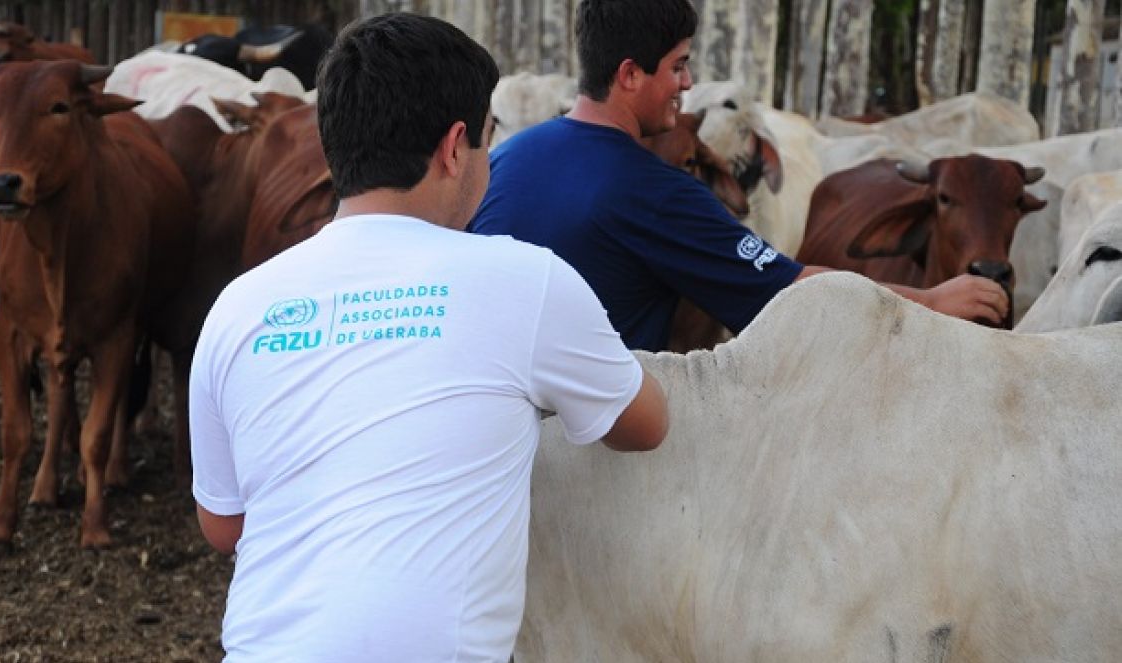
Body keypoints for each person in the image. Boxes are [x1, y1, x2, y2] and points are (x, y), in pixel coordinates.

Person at [188, 13, 668, 663]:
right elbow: (646, 424)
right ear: (454, 147)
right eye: (488, 141)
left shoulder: (238, 307)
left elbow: (223, 525)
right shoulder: (526, 280)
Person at [470, 0, 1010, 352]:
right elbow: (792, 291)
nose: (688, 82)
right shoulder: (655, 192)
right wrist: (933, 302)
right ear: (630, 74)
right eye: (678, 65)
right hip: (603, 455)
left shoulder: (505, 159)